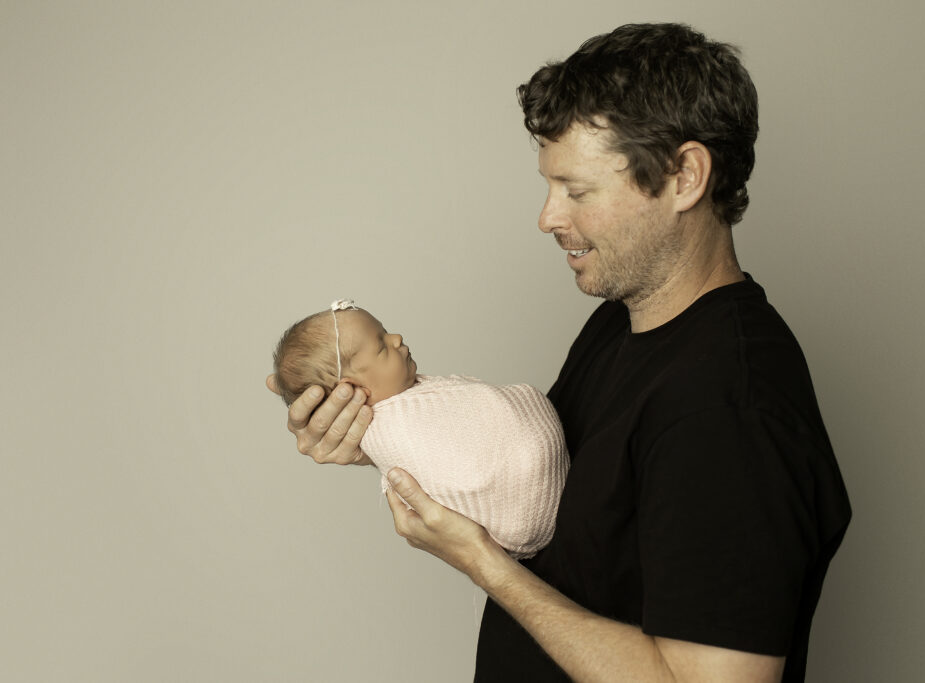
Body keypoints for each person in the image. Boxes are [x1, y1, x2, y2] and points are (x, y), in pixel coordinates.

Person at [267, 22, 851, 683]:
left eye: (577, 190)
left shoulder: (728, 409)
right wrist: (379, 426)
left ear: (684, 175)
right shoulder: (621, 321)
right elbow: (536, 493)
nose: (547, 217)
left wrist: (485, 563)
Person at [271, 299, 568, 559]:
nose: (397, 339)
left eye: (387, 332)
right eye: (381, 345)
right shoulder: (392, 429)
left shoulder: (410, 398)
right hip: (518, 503)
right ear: (350, 390)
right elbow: (460, 476)